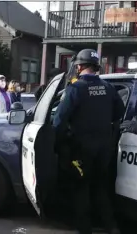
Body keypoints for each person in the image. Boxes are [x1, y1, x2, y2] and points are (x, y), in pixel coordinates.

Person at [53, 49, 125, 234]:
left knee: (81, 188)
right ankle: (111, 226)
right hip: (104, 149)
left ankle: (85, 229)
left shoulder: (75, 88)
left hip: (82, 150)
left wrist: (59, 144)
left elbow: (59, 121)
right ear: (95, 67)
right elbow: (119, 112)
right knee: (101, 187)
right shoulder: (108, 88)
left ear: (79, 66)